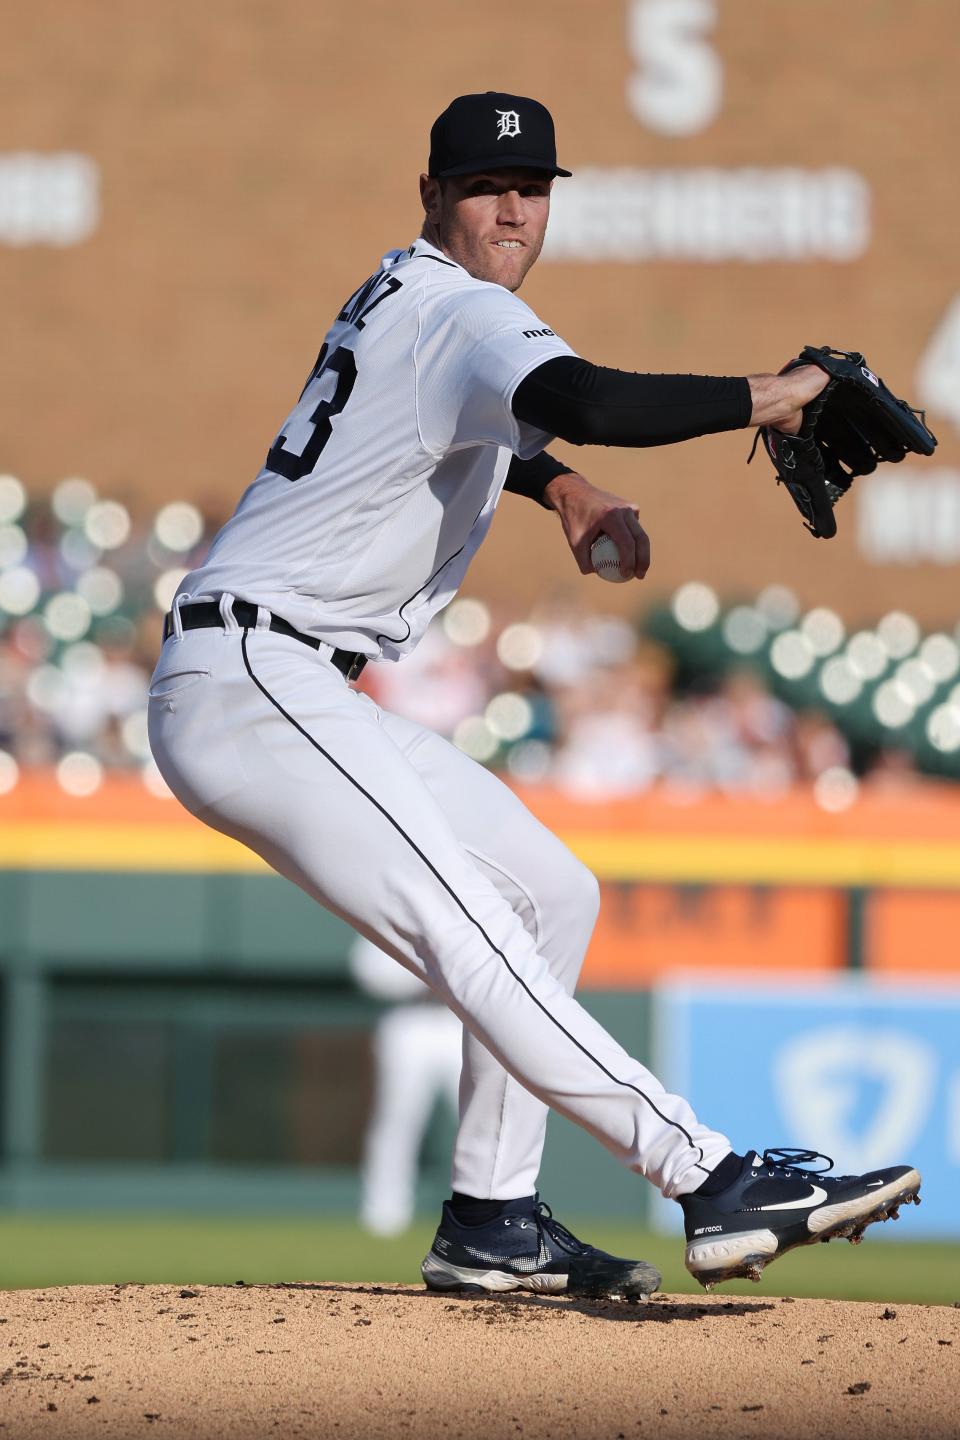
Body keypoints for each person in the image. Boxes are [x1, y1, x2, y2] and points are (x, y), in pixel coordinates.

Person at [148, 92, 919, 1298]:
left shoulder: (406, 297)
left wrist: (557, 485)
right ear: (433, 196)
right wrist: (778, 392)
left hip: (282, 679)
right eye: (485, 186)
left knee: (552, 891)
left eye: (535, 187)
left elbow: (475, 421)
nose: (513, 207)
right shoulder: (463, 309)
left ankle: (491, 1219)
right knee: (473, 927)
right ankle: (713, 1179)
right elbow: (596, 399)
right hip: (257, 673)